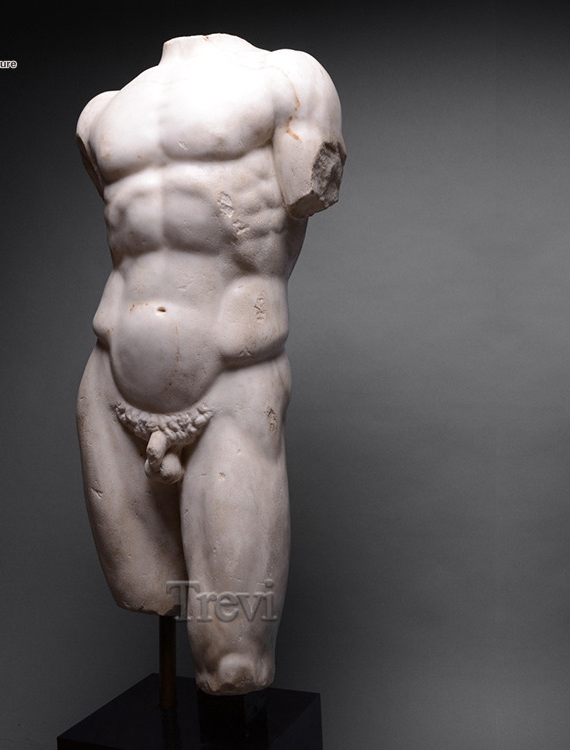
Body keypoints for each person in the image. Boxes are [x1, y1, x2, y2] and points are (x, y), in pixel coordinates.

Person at [76, 33, 344, 695]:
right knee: (142, 588)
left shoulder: (290, 83)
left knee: (234, 661)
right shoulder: (101, 114)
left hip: (232, 382)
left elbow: (309, 191)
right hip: (109, 379)